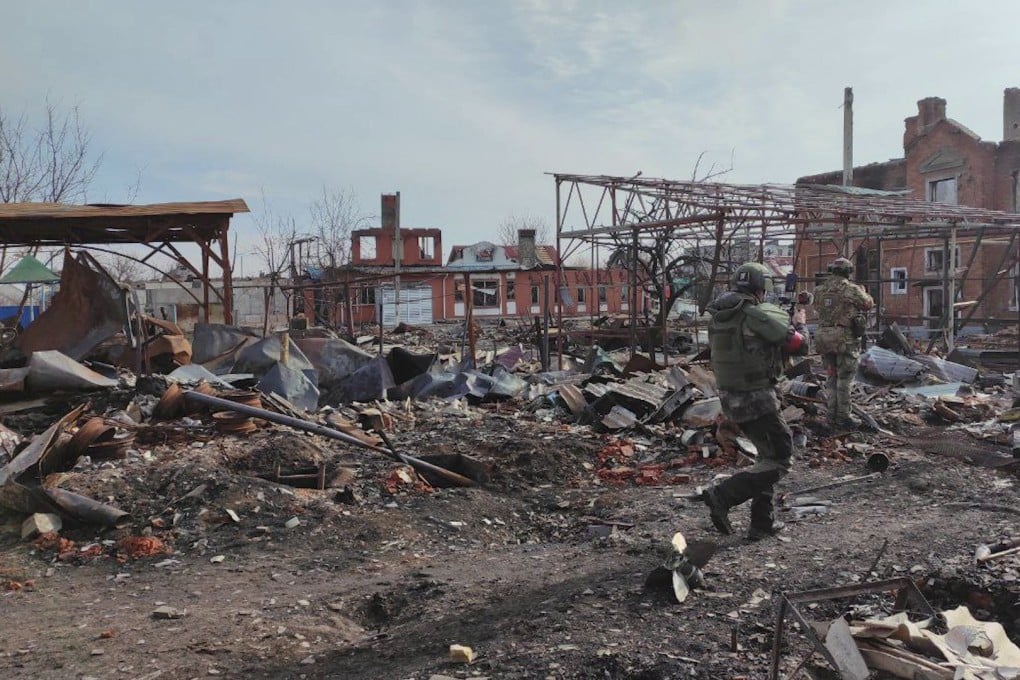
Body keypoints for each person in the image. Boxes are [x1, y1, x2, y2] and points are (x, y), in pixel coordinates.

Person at [701, 262, 807, 540]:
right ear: (760, 289)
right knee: (781, 459)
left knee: (765, 456)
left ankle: (762, 523)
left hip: (731, 397)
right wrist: (799, 323)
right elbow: (799, 345)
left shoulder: (719, 316)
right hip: (758, 398)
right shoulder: (756, 316)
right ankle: (723, 495)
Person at [813, 257, 874, 430]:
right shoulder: (851, 289)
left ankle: (831, 415)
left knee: (831, 376)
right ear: (848, 272)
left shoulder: (819, 290)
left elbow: (818, 308)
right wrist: (863, 291)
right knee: (845, 379)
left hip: (824, 338)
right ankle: (843, 417)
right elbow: (867, 304)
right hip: (844, 339)